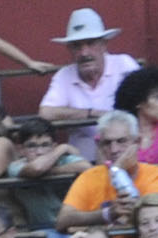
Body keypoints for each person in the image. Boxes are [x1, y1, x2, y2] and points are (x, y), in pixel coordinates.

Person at [37, 9, 138, 160]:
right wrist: (91, 113)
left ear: (104, 45)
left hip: (126, 155)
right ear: (70, 49)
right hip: (84, 161)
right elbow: (45, 112)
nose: (84, 53)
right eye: (77, 46)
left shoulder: (124, 65)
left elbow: (146, 101)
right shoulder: (64, 75)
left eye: (90, 43)